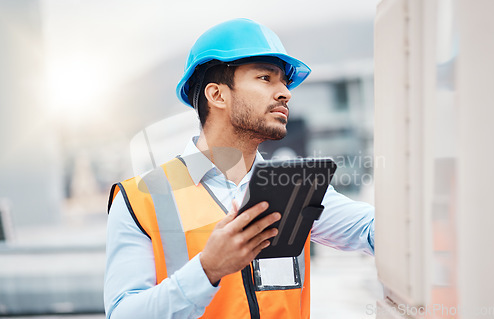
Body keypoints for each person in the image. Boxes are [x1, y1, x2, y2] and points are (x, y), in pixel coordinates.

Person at [104, 18, 375, 319]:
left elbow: (372, 230)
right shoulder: (140, 199)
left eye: (284, 81)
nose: (285, 92)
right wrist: (207, 269)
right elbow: (123, 314)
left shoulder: (295, 187)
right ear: (217, 95)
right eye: (265, 78)